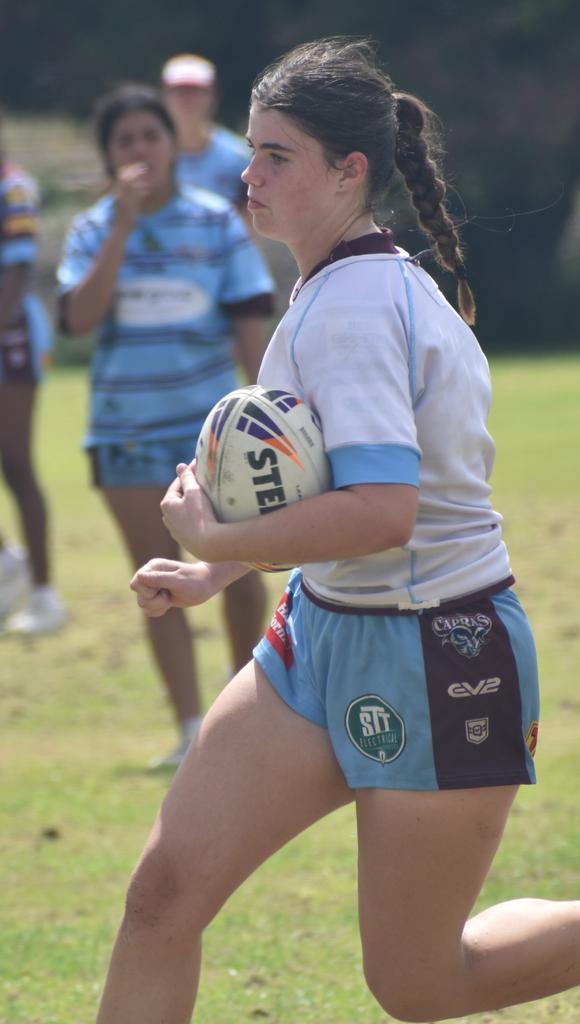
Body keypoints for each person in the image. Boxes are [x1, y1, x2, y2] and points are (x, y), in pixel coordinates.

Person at [94, 39, 580, 1022]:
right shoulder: (337, 285)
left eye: (277, 155)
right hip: (320, 630)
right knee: (163, 895)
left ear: (348, 170)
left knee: (416, 982)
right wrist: (222, 571)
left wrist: (224, 543)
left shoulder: (358, 307)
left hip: (440, 654)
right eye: (251, 151)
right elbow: (344, 501)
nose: (248, 175)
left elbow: (384, 511)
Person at [56, 84, 276, 769]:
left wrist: (271, 413)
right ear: (109, 157)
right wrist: (122, 225)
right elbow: (77, 321)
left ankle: (248, 718)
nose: (140, 151)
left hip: (210, 437)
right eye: (125, 143)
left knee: (239, 568)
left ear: (172, 145)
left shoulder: (216, 223)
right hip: (123, 429)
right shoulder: (93, 229)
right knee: (156, 581)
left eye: (150, 137)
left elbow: (249, 324)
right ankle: (189, 731)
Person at [0, 111, 67, 634]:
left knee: (17, 464)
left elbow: (14, 277)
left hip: (13, 339)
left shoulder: (14, 187)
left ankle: (44, 593)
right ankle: (7, 560)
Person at [161, 53, 251, 210]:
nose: (187, 99)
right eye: (179, 91)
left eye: (195, 91)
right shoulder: (151, 154)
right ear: (165, 96)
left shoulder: (238, 157)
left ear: (212, 96)